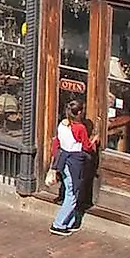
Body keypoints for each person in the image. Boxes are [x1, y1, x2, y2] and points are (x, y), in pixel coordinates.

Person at [51, 100, 94, 235]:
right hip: (74, 161)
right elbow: (86, 146)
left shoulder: (62, 124)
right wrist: (94, 141)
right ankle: (58, 224)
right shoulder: (80, 128)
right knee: (72, 193)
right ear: (80, 113)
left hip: (63, 159)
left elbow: (56, 142)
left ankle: (70, 222)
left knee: (70, 188)